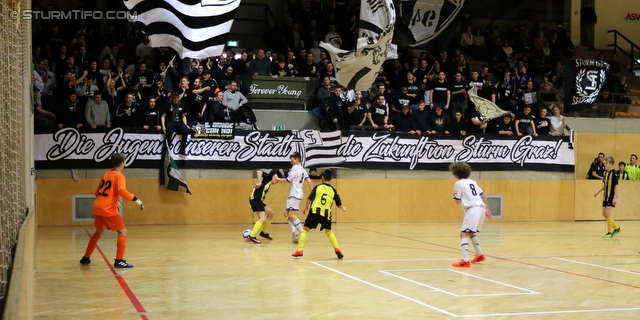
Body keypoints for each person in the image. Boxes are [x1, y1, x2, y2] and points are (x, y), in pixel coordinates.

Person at [79, 153, 145, 268]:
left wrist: (114, 201)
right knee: (123, 232)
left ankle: (85, 258)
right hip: (107, 209)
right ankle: (119, 260)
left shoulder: (106, 174)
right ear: (122, 163)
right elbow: (122, 191)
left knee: (98, 232)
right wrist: (136, 199)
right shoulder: (119, 175)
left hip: (97, 206)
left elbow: (97, 193)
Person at [292, 169, 347, 259]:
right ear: (331, 179)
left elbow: (309, 198)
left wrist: (305, 208)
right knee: (328, 231)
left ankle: (300, 250)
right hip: (326, 213)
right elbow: (339, 204)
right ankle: (337, 248)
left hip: (315, 211)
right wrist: (343, 209)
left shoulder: (318, 187)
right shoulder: (333, 190)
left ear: (322, 178)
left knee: (305, 230)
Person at [449, 162, 492, 268]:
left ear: (455, 173)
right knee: (471, 233)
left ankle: (465, 260)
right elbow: (483, 194)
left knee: (463, 233)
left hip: (472, 209)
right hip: (481, 207)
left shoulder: (458, 183)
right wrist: (487, 208)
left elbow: (457, 201)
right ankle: (480, 255)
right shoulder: (472, 181)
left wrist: (457, 197)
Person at [274, 152, 313, 243]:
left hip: (294, 193)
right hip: (298, 193)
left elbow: (288, 180)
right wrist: (312, 192)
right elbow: (309, 181)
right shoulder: (303, 170)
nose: (291, 162)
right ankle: (294, 230)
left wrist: (277, 179)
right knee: (286, 214)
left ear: (297, 159)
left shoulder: (295, 168)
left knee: (291, 215)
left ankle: (303, 234)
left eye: (292, 160)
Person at [245, 169, 282, 244]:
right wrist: (259, 182)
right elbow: (259, 171)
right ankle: (252, 235)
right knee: (263, 218)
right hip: (255, 199)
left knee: (271, 214)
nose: (277, 182)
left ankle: (264, 233)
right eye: (277, 180)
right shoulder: (268, 177)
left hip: (259, 201)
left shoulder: (269, 183)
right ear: (274, 176)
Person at [593, 156, 621, 238]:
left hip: (611, 196)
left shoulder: (614, 173)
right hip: (605, 196)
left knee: (608, 213)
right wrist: (598, 191)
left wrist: (615, 197)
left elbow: (616, 186)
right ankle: (616, 228)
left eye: (606, 163)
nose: (604, 164)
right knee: (604, 213)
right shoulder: (605, 173)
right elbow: (605, 185)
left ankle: (610, 232)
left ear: (611, 164)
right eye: (604, 163)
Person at [161, 91, 190, 156]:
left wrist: (185, 125)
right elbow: (163, 116)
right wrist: (163, 126)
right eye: (174, 98)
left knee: (185, 132)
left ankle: (182, 150)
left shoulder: (181, 105)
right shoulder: (168, 105)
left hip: (179, 122)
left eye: (177, 98)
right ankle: (167, 150)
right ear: (172, 98)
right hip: (170, 121)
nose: (176, 99)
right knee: (169, 133)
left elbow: (183, 116)